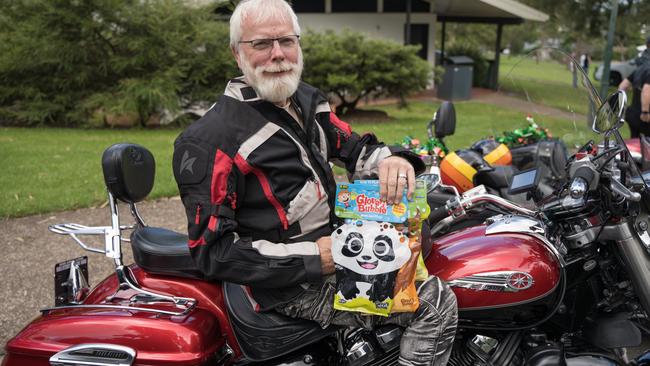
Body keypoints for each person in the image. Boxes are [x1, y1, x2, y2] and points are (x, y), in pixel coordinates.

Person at [172, 0, 457, 365]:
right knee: (434, 303)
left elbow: (353, 147)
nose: (278, 54)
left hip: (344, 249)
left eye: (286, 41)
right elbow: (214, 253)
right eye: (261, 44)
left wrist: (394, 160)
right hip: (292, 286)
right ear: (236, 53)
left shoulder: (305, 98)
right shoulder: (211, 140)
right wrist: (319, 257)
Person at [618, 62, 650, 137]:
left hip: (633, 113)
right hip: (645, 116)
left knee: (635, 141)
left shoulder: (641, 68)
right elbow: (646, 90)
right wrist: (645, 112)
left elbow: (623, 86)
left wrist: (619, 106)